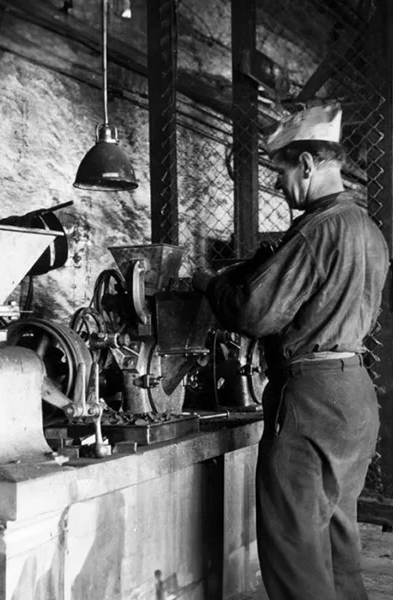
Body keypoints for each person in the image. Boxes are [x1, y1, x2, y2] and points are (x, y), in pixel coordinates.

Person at [191, 104, 390, 600]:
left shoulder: (317, 229)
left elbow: (253, 313)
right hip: (354, 392)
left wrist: (209, 282)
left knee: (294, 549)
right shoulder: (368, 229)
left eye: (280, 173)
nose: (278, 186)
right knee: (336, 543)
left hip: (311, 399)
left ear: (306, 164)